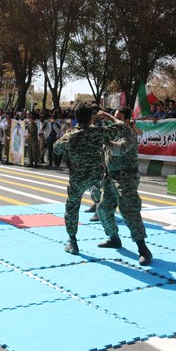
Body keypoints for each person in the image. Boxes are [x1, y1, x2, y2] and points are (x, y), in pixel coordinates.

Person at [53, 103, 131, 257]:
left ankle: (73, 242)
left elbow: (56, 148)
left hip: (78, 178)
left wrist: (67, 136)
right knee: (103, 206)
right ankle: (114, 236)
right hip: (96, 175)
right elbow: (122, 127)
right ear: (90, 118)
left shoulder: (70, 135)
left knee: (72, 208)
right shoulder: (98, 132)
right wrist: (108, 116)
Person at [95, 106, 152, 265]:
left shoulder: (130, 133)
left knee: (129, 212)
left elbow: (119, 150)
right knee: (103, 208)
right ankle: (114, 238)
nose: (114, 120)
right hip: (110, 177)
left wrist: (104, 141)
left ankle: (143, 250)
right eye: (113, 116)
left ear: (127, 120)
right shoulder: (112, 131)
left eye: (118, 117)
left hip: (125, 178)